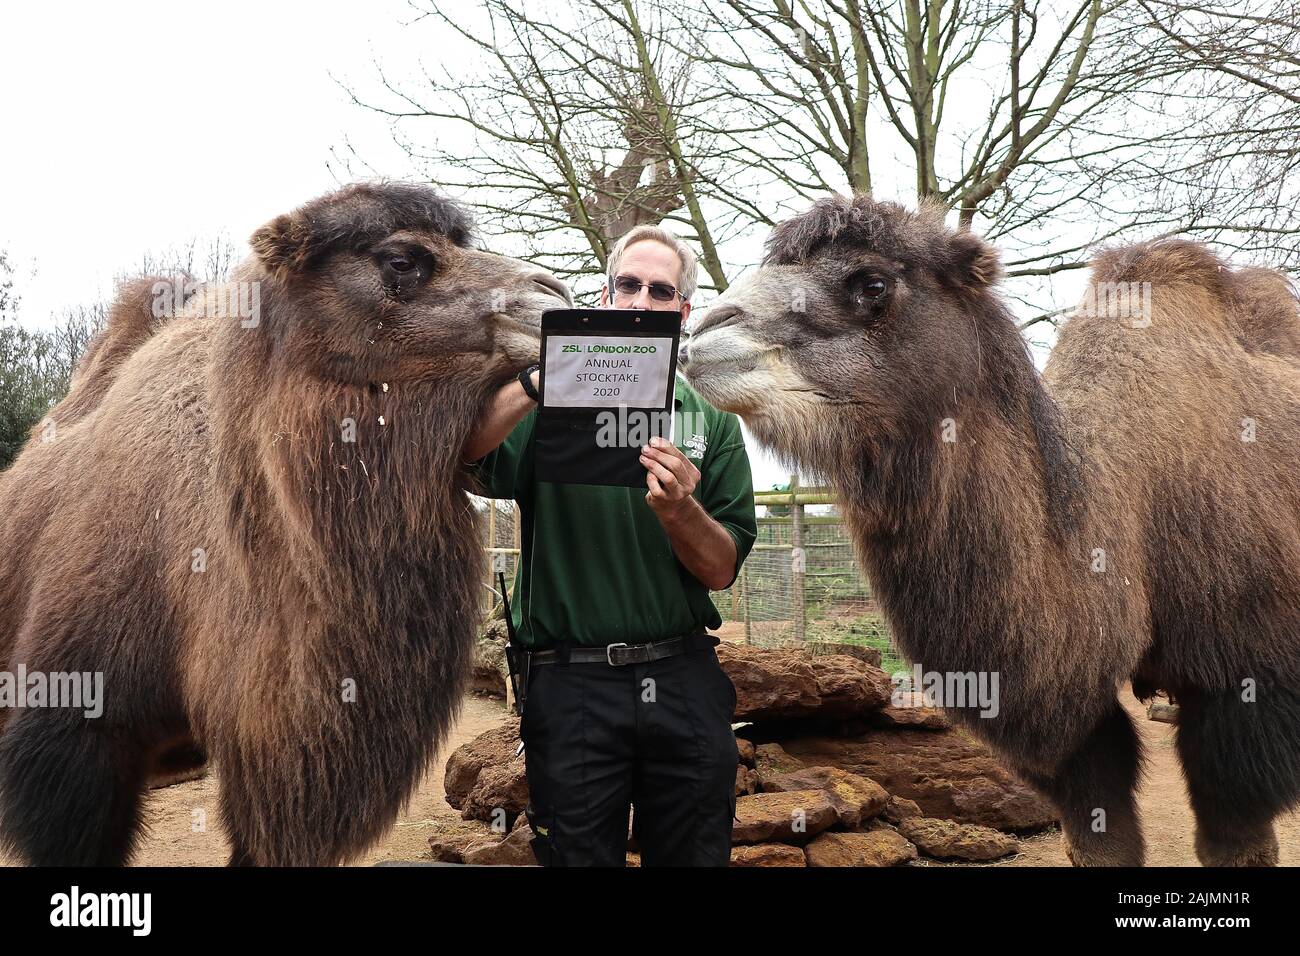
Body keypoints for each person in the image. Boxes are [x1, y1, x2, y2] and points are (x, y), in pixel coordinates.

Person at [462, 224, 757, 866]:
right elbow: (464, 451)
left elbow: (721, 568)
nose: (641, 302)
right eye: (628, 285)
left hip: (682, 676)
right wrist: (539, 382)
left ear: (682, 312)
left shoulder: (710, 416)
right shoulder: (541, 402)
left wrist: (681, 512)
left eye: (661, 291)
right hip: (572, 686)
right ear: (605, 294)